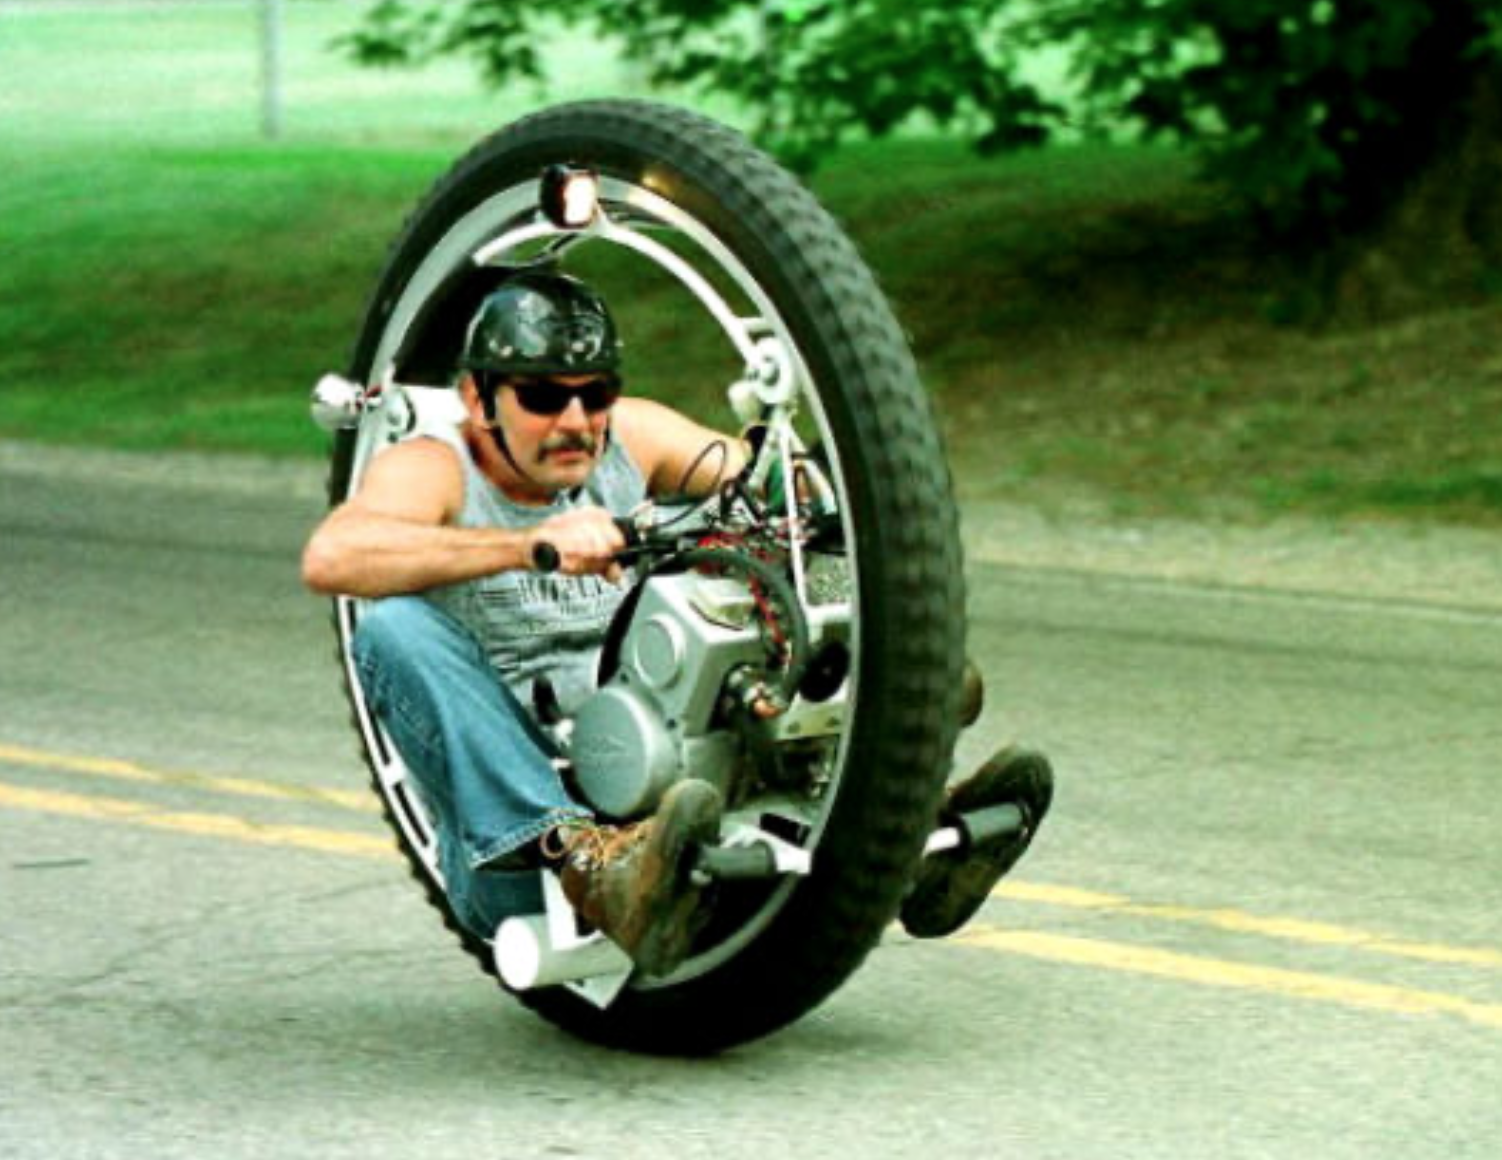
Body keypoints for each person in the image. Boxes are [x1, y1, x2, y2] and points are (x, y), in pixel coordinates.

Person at [301, 268, 1051, 978]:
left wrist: (884, 617)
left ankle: (906, 834)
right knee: (392, 630)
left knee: (778, 563)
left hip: (678, 794)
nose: (574, 421)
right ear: (478, 398)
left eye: (594, 394)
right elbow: (334, 556)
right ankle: (587, 862)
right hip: (523, 864)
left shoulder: (631, 436)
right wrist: (528, 547)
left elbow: (777, 489)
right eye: (541, 397)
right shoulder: (434, 467)